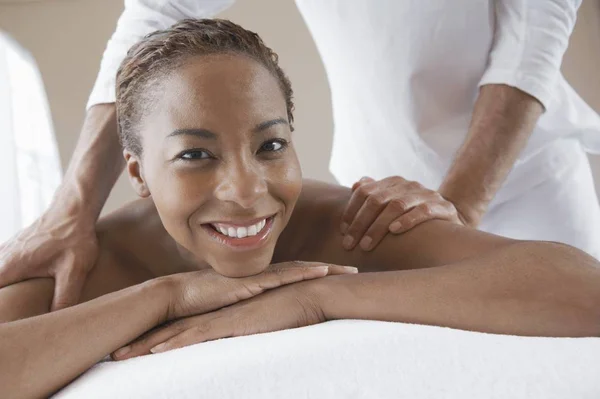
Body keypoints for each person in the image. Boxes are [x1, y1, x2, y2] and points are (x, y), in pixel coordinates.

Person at [1, 19, 600, 399]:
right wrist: (166, 296)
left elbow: (582, 288)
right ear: (137, 174)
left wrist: (314, 299)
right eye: (194, 155)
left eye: (270, 146)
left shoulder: (344, 226)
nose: (244, 187)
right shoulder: (86, 261)